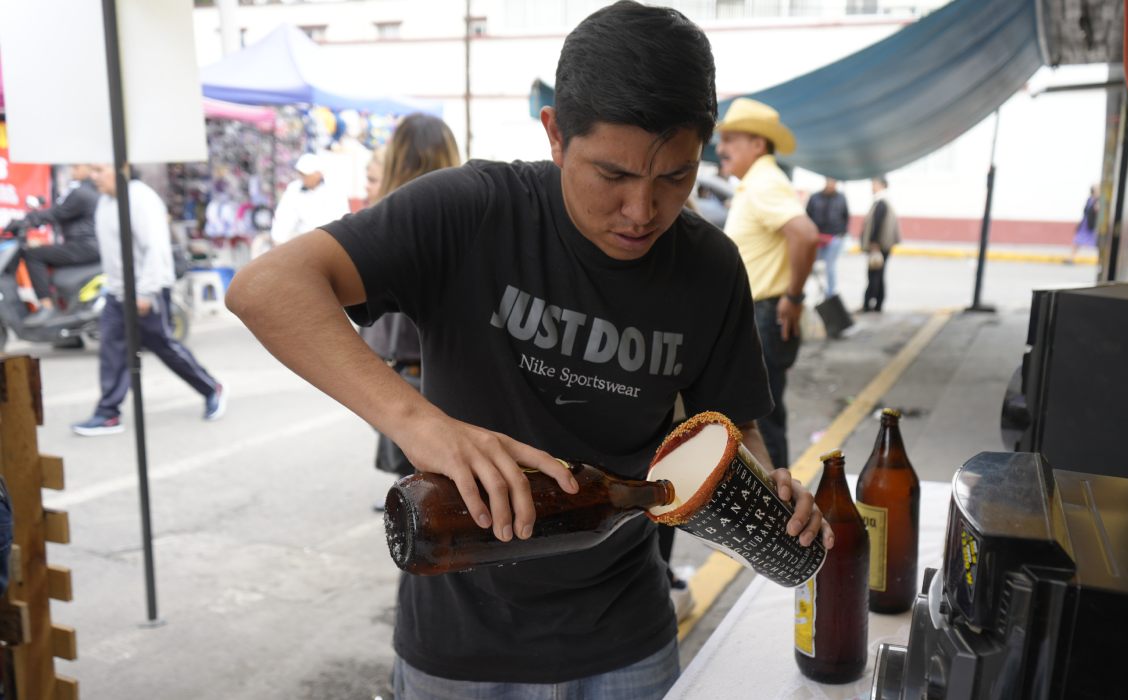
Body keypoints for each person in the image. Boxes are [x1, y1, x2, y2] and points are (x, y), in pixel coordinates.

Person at [226, 3, 832, 698]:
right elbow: (266, 287)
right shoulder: (474, 210)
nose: (642, 211)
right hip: (459, 643)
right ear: (555, 134)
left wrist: (769, 489)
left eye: (674, 177)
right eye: (612, 175)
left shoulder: (709, 266)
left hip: (625, 639)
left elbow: (738, 427)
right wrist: (422, 425)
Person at [70, 165, 227, 437]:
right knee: (112, 351)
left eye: (99, 170)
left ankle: (210, 388)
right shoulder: (106, 203)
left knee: (165, 346)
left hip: (146, 292)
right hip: (117, 293)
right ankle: (108, 413)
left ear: (122, 167)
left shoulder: (140, 199)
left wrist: (146, 292)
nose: (93, 176)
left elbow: (156, 249)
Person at [360, 115, 462, 512]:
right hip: (438, 374)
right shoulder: (461, 218)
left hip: (400, 370)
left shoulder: (386, 220)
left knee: (426, 508)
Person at [716, 97, 819, 473]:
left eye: (731, 139)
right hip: (757, 314)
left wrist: (793, 297)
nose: (721, 148)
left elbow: (805, 235)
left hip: (764, 313)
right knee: (760, 420)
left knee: (761, 423)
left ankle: (778, 510)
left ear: (758, 144)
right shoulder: (757, 182)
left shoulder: (763, 181)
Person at [15, 164, 101, 326]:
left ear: (88, 169)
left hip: (85, 246)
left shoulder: (81, 193)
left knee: (34, 254)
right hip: (87, 245)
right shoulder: (88, 190)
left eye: (76, 167)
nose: (72, 170)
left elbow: (56, 213)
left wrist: (27, 220)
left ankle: (46, 306)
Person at [269, 153, 349, 247]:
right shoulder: (294, 189)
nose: (303, 178)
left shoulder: (334, 190)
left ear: (318, 174)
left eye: (306, 175)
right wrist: (278, 239)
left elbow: (342, 219)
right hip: (302, 242)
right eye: (301, 174)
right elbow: (284, 216)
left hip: (329, 242)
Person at [860, 176, 900, 313]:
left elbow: (876, 225)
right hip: (882, 245)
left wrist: (874, 243)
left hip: (878, 246)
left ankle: (869, 304)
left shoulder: (881, 202)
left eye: (874, 184)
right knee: (879, 275)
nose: (872, 187)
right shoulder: (883, 201)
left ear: (882, 185)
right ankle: (877, 304)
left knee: (874, 275)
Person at [806, 177, 850, 299]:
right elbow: (808, 214)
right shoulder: (815, 197)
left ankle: (830, 294)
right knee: (809, 264)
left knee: (830, 266)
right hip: (817, 236)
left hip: (834, 236)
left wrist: (842, 234)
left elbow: (845, 216)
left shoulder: (841, 198)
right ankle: (807, 290)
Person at [1068, 184, 1099, 263]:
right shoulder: (1090, 200)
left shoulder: (1097, 200)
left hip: (1092, 225)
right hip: (1087, 224)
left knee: (1099, 242)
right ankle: (1071, 258)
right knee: (1077, 241)